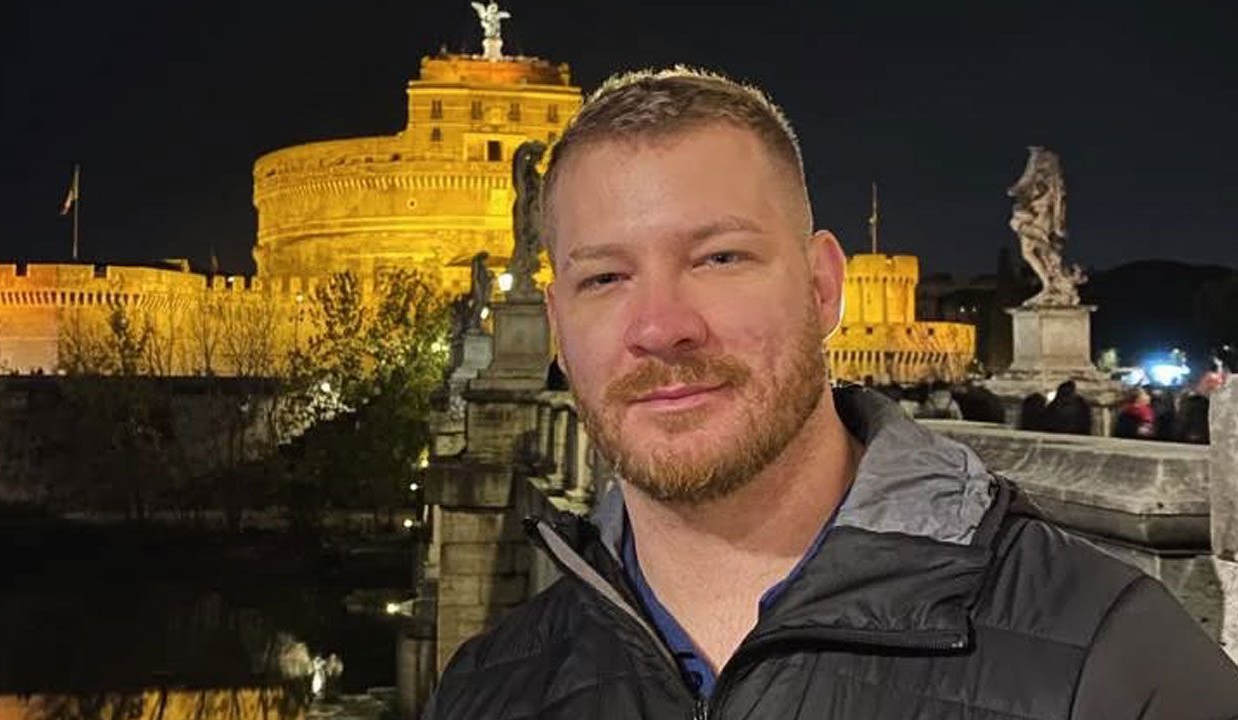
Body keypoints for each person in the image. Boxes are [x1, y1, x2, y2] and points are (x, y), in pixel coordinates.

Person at [425, 68, 1238, 719]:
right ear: (560, 328)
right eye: (605, 277)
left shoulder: (1111, 667)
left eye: (720, 259)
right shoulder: (491, 686)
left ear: (823, 289)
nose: (662, 326)